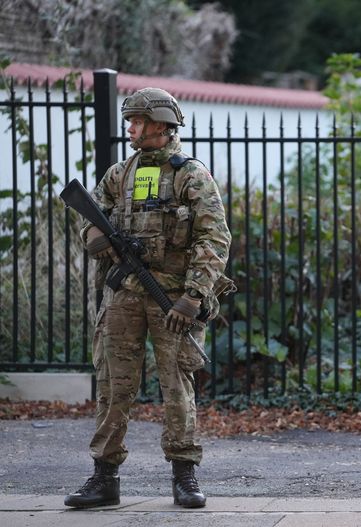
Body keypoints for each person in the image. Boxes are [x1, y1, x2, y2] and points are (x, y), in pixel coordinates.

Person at [64, 87, 232, 509]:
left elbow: (214, 238)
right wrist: (94, 235)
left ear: (160, 124)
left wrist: (194, 296)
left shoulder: (190, 175)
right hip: (123, 294)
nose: (130, 128)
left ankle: (184, 474)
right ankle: (104, 476)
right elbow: (89, 215)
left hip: (172, 299)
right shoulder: (120, 174)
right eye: (130, 121)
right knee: (113, 384)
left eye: (137, 121)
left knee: (177, 384)